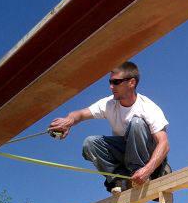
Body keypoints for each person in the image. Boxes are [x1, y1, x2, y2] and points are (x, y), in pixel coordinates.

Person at [49, 61, 171, 195]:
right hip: (126, 152)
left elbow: (164, 144)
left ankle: (145, 174)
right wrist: (68, 120)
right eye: (110, 82)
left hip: (148, 159)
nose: (111, 87)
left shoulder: (148, 107)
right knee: (90, 143)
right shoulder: (109, 104)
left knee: (137, 123)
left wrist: (147, 169)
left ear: (131, 83)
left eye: (116, 82)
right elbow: (81, 114)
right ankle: (120, 179)